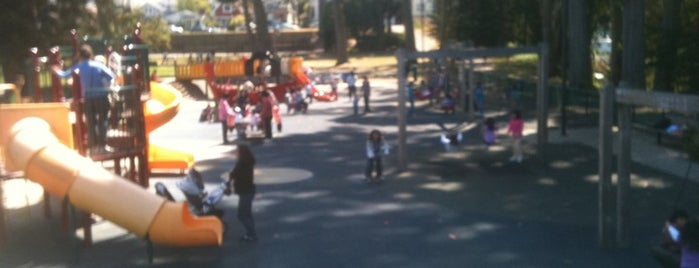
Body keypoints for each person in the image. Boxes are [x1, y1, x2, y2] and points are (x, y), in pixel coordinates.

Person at [53, 44, 115, 154]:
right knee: (103, 121)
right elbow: (110, 76)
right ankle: (103, 145)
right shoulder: (98, 65)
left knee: (91, 123)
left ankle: (94, 147)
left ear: (80, 56)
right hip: (101, 96)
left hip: (88, 98)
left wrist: (56, 70)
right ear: (90, 55)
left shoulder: (78, 66)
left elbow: (64, 75)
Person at [226, 144, 258, 241]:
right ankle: (250, 233)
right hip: (249, 190)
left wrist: (230, 179)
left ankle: (252, 233)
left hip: (245, 191)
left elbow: (234, 174)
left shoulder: (241, 163)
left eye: (237, 151)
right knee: (247, 213)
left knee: (242, 215)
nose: (236, 152)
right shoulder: (248, 162)